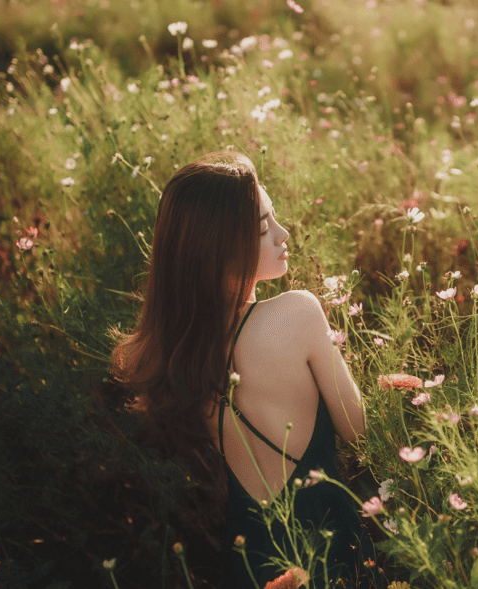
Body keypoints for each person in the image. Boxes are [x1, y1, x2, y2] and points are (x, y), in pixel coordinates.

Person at [111, 151, 380, 588]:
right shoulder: (297, 313)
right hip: (330, 545)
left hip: (251, 559)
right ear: (216, 248)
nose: (282, 233)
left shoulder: (178, 353)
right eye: (262, 228)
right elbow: (360, 432)